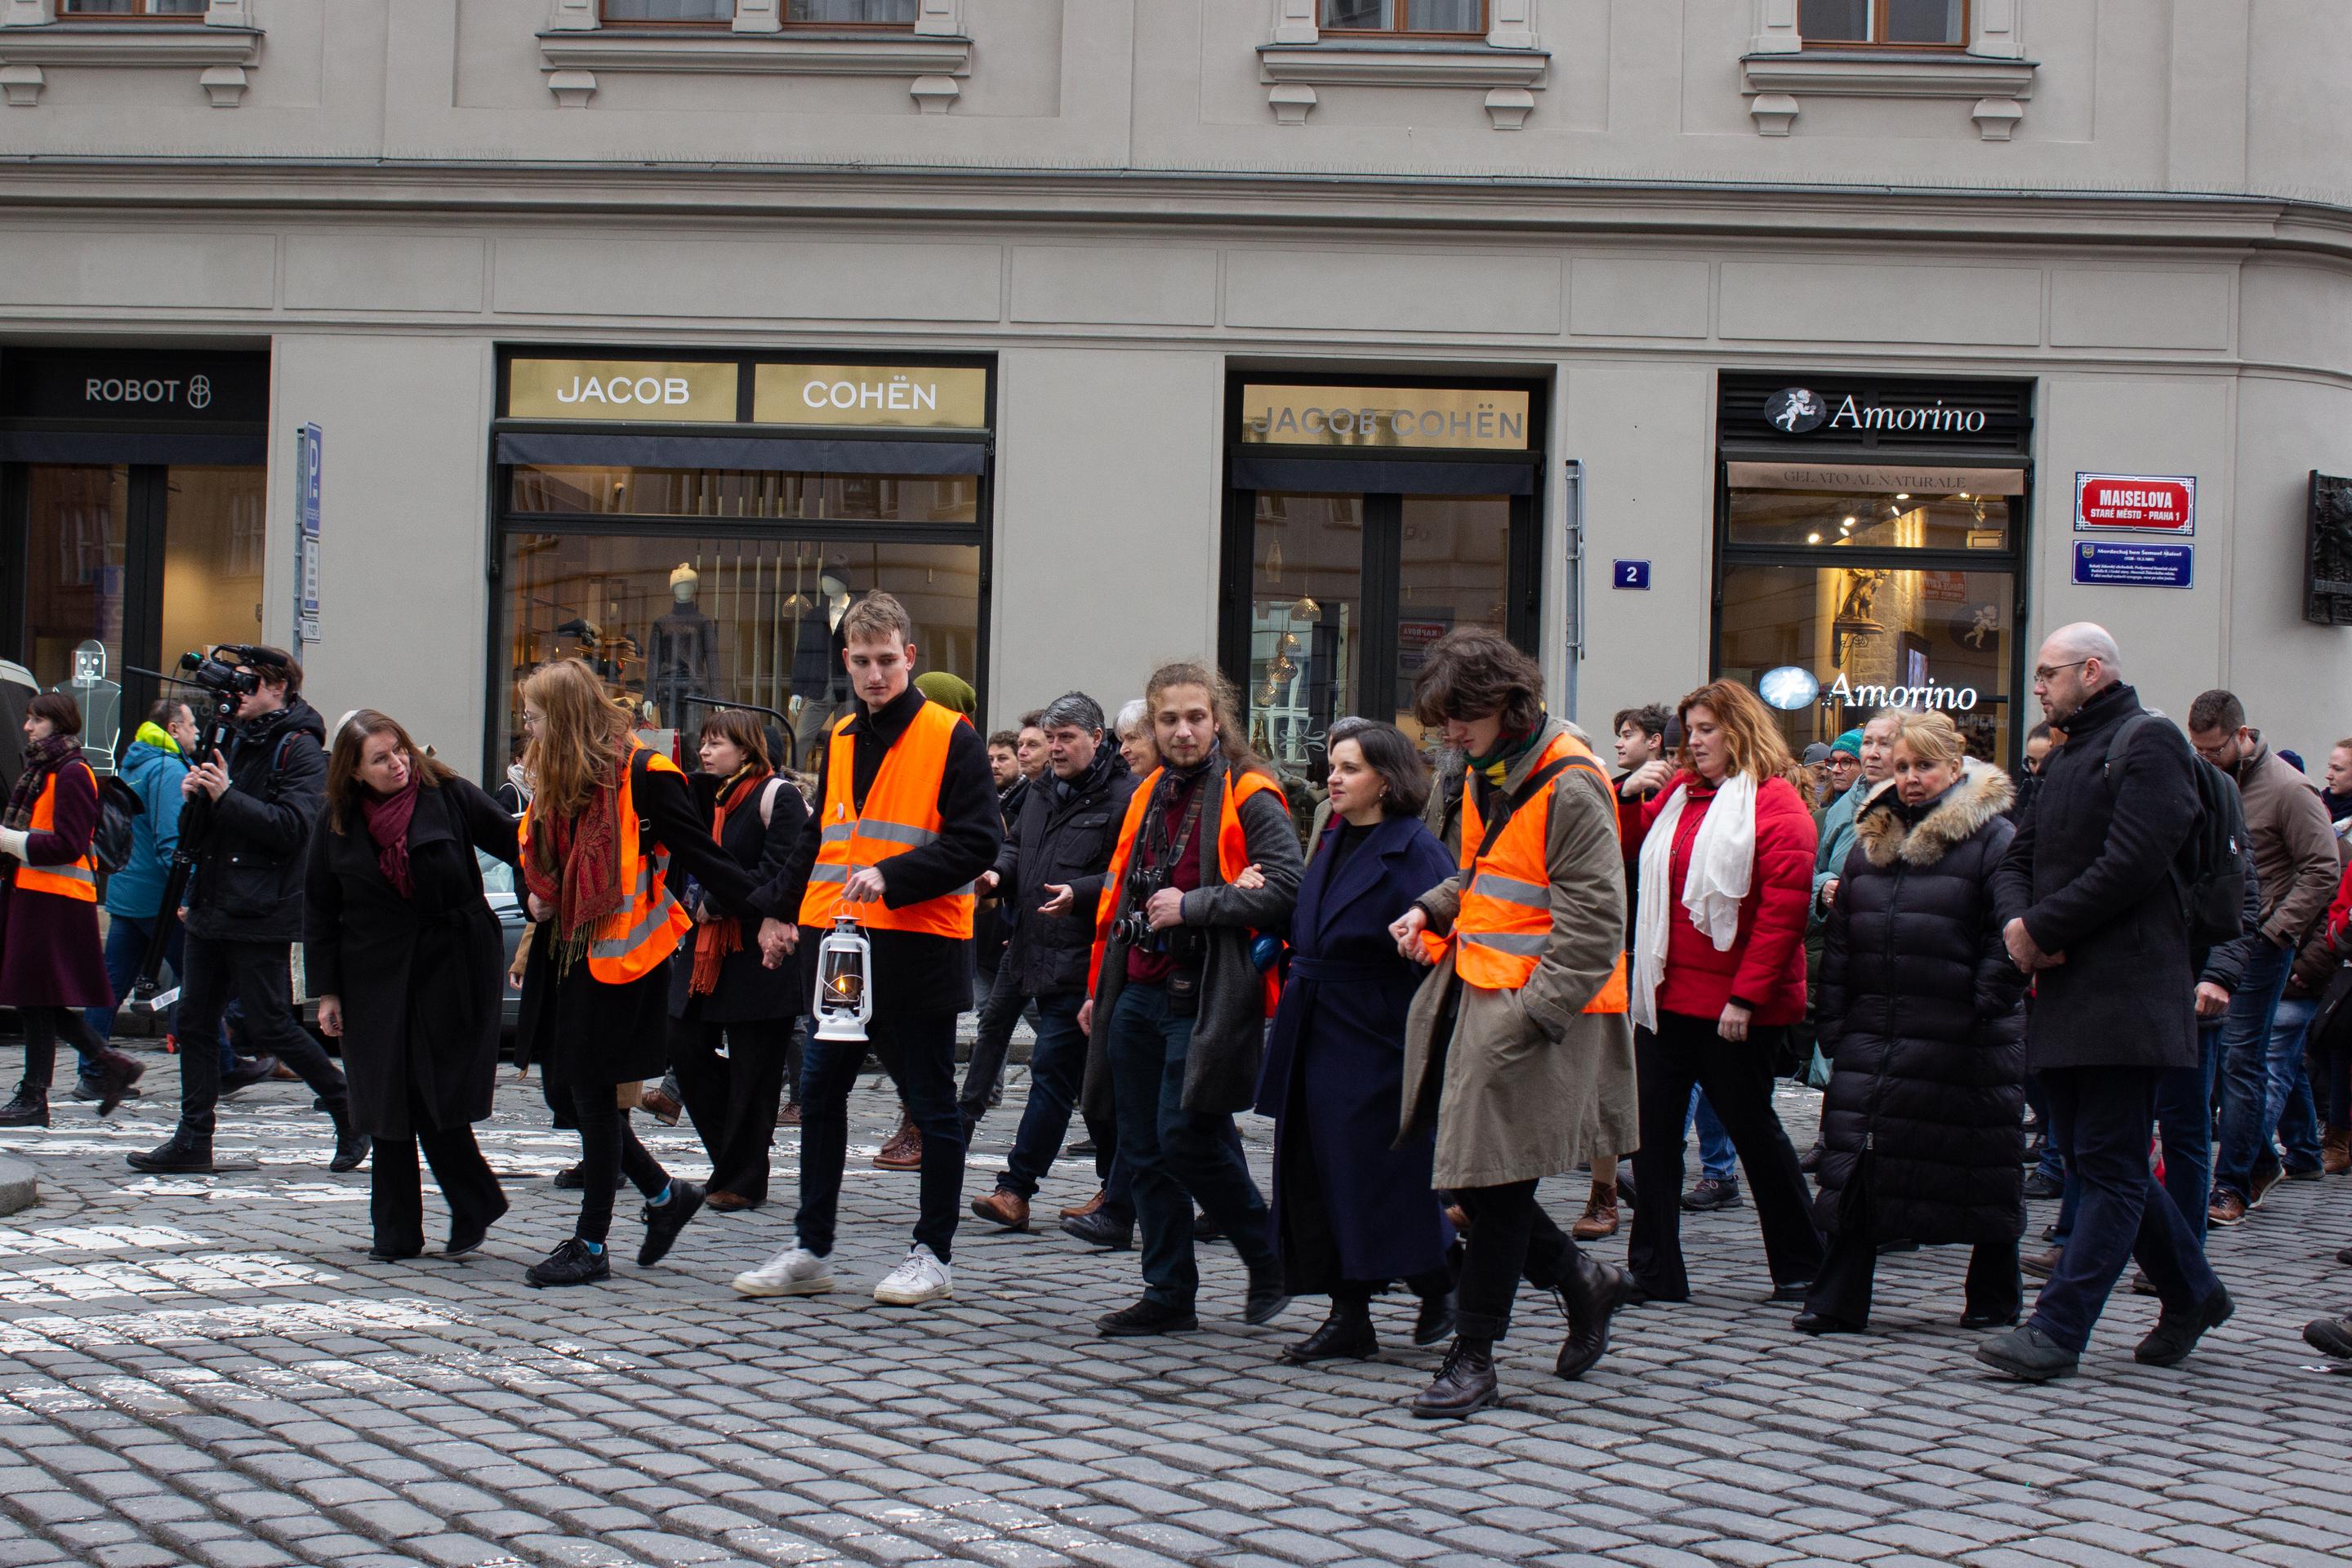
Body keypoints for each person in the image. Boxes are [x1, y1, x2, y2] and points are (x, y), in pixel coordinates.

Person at [1387, 629, 1637, 1417]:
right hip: (1481, 995)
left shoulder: (1570, 782)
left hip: (1538, 1011)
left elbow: (1596, 921)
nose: (1449, 733)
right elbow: (1482, 873)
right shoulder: (1491, 769)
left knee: (1493, 1179)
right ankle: (1579, 1278)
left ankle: (1475, 1354)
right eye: (1444, 719)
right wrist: (1428, 908)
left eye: (1463, 716)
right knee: (1471, 1174)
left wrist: (1538, 1013)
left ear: (1507, 703)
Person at [1978, 623, 2232, 1381]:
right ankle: (2195, 1291)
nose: (2040, 688)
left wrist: (2042, 928)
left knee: (2112, 1168)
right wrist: (2021, 929)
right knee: (2100, 1157)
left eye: (2050, 674)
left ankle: (2058, 1329)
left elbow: (2135, 862)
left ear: (2093, 670)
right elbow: (2016, 856)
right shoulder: (2062, 757)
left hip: (2128, 993)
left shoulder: (2149, 743)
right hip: (2063, 988)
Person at [733, 592, 1001, 1306]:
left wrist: (892, 876)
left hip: (917, 944)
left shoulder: (953, 736)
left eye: (887, 660)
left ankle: (932, 1254)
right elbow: (823, 836)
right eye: (862, 661)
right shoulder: (843, 735)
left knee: (930, 1105)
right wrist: (777, 914)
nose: (876, 673)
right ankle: (812, 1248)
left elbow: (979, 843)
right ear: (846, 663)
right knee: (819, 1094)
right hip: (841, 951)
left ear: (910, 657)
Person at [511, 658, 760, 1288]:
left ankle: (592, 1242)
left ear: (563, 719)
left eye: (535, 717)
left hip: (626, 958)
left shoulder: (645, 773)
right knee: (574, 1093)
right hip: (571, 951)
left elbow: (702, 852)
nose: (527, 727)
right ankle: (661, 1196)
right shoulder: (560, 775)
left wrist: (772, 908)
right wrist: (532, 896)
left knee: (593, 1098)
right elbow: (538, 855)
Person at [1078, 661, 1301, 1337]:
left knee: (1185, 1136)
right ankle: (1169, 1291)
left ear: (1218, 719)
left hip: (1202, 993)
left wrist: (1197, 904)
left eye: (1195, 717)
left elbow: (1289, 885)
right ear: (1152, 723)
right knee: (1140, 1149)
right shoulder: (1148, 791)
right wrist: (1099, 993)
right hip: (1137, 991)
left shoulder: (1250, 791)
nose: (1182, 730)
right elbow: (1121, 897)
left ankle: (1268, 1253)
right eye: (1169, 719)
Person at [1801, 711, 2027, 1334]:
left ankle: (1992, 1296)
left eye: (1923, 766)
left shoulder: (1993, 840)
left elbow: (2008, 939)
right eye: (1901, 767)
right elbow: (1844, 940)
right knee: (1857, 1165)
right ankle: (1837, 1298)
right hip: (1878, 1032)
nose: (1910, 779)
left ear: (1955, 769)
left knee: (1980, 1167)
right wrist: (1836, 1023)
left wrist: (1981, 1005)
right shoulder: (1872, 844)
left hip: (1964, 1037)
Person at [1252, 722, 1459, 1365]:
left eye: (1350, 768)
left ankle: (1440, 1274)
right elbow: (1319, 921)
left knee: (1375, 1173)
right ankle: (1351, 1311)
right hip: (1316, 1020)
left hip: (1376, 1029)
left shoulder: (1418, 851)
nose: (1333, 778)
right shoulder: (1335, 835)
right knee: (1316, 1172)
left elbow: (1445, 945)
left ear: (1387, 781)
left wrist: (1422, 945)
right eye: (1333, 767)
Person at [1620, 679, 1824, 1307]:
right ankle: (1655, 1271)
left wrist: (1746, 998)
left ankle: (1802, 1265)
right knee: (1652, 1138)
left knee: (1755, 1132)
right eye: (1691, 732)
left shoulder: (1776, 802)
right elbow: (1630, 857)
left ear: (1740, 731)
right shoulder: (1680, 796)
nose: (1695, 743)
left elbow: (1782, 914)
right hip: (1665, 995)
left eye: (1708, 730)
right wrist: (1628, 800)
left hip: (1737, 1008)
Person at [127, 648, 363, 1175]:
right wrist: (199, 797)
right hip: (214, 903)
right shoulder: (234, 738)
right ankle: (193, 1139)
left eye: (251, 683)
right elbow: (217, 826)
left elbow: (293, 828)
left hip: (262, 909)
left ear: (279, 687)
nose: (239, 693)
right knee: (193, 1022)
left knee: (270, 1024)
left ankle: (348, 1106)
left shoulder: (300, 749)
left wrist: (226, 795)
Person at [304, 710, 519, 1262]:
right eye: (381, 758)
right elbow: (320, 910)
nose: (397, 763)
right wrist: (326, 991)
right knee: (383, 1099)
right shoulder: (335, 820)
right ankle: (401, 1230)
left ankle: (471, 1203)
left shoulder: (446, 793)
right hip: (370, 974)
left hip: (452, 964)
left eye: (399, 750)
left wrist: (543, 901)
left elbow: (520, 843)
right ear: (354, 771)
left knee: (433, 1093)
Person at [969, 692, 1138, 1233]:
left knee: (1052, 1073)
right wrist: (997, 873)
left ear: (1097, 738)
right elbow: (1019, 847)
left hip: (1086, 962)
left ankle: (1016, 1190)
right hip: (1030, 950)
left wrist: (1081, 892)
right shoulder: (1042, 792)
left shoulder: (1125, 795)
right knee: (1093, 1087)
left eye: (1067, 738)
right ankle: (1117, 1191)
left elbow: (1127, 876)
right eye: (1052, 737)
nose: (1057, 747)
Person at [2189, 690, 2341, 1224]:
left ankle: (2232, 1183)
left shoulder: (2288, 788)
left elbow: (2324, 868)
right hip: (2211, 943)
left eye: (2213, 749)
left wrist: (2277, 931)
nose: (2204, 758)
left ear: (2241, 734)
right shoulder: (2206, 778)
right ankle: (2263, 1160)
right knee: (2219, 1064)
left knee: (2241, 1064)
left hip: (2260, 947)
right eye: (2198, 749)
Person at [666, 709, 807, 1212]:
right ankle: (739, 1150)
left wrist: (718, 901)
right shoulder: (707, 797)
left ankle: (743, 1178)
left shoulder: (778, 796)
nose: (705, 752)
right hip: (705, 946)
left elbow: (782, 872)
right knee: (683, 1044)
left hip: (757, 950)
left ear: (746, 749)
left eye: (716, 743)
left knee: (755, 1067)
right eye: (703, 743)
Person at [0, 693, 144, 1125]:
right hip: (34, 895)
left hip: (56, 902)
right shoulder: (43, 770)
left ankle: (36, 1096)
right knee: (34, 999)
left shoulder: (73, 772)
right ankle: (104, 1066)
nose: (28, 727)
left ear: (58, 724)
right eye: (28, 719)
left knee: (35, 997)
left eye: (36, 720)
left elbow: (69, 842)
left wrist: (6, 841)